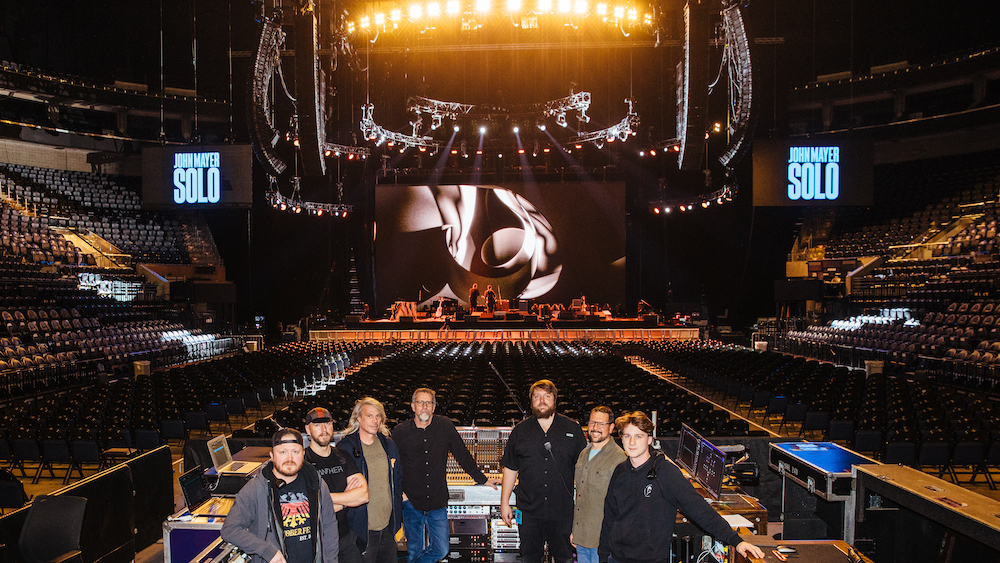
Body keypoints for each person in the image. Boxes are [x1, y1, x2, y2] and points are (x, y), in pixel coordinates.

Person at [600, 412, 765, 563]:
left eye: (638, 436)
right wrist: (603, 557)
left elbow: (698, 508)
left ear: (649, 439)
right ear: (621, 438)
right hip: (616, 557)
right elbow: (609, 517)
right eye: (627, 436)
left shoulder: (665, 472)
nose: (632, 442)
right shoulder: (620, 470)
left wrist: (736, 541)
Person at [393, 388, 501, 563]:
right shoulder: (400, 432)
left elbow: (462, 455)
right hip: (411, 502)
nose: (424, 407)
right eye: (421, 402)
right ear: (413, 406)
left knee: (441, 549)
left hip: (437, 501)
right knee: (413, 551)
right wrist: (401, 495)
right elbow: (393, 466)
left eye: (428, 403)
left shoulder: (445, 426)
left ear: (434, 407)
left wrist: (483, 479)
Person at [221, 428, 339, 563]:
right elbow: (230, 530)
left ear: (303, 454)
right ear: (271, 455)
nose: (289, 458)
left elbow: (329, 526)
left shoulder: (316, 483)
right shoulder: (256, 488)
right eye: (283, 452)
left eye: (295, 452)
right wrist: (266, 551)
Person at [500, 380, 586, 563]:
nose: (542, 401)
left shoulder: (572, 429)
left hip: (562, 512)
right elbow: (510, 468)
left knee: (565, 558)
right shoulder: (520, 431)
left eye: (547, 396)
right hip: (529, 511)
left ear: (555, 400)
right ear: (531, 401)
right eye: (537, 396)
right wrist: (504, 503)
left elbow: (584, 470)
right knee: (529, 557)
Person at [338, 398, 404, 563]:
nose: (375, 421)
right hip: (361, 531)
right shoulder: (345, 447)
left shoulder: (388, 444)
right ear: (358, 418)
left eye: (378, 416)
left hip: (387, 528)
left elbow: (397, 480)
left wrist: (397, 520)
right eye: (369, 416)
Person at [303, 407, 370, 563]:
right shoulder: (302, 462)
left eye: (327, 424)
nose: (324, 429)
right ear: (308, 429)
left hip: (344, 537)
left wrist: (324, 498)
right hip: (317, 541)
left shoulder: (342, 456)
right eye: (317, 425)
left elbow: (364, 495)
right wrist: (346, 500)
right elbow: (309, 506)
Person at [571, 406, 626, 563]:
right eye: (592, 423)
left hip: (603, 541)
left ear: (611, 427)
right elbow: (579, 495)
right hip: (582, 537)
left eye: (601, 424)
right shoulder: (583, 453)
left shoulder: (619, 458)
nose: (595, 428)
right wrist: (575, 530)